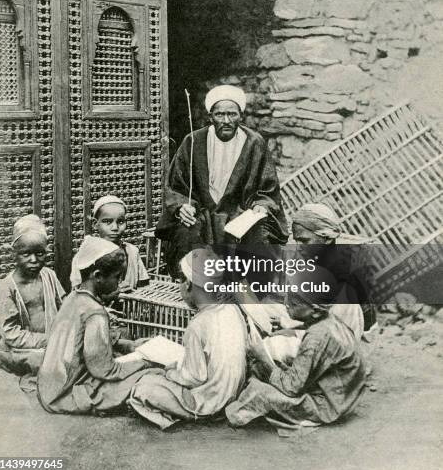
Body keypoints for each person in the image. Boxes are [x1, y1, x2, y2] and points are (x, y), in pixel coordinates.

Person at [155, 85, 288, 278]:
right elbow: (176, 186)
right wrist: (183, 206)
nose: (226, 121)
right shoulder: (192, 141)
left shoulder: (254, 143)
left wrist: (261, 206)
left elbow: (268, 189)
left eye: (232, 114)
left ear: (241, 116)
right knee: (186, 231)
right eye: (220, 115)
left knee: (258, 234)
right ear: (210, 116)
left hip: (239, 213)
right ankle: (192, 288)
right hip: (202, 213)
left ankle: (249, 292)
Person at [129, 248, 248, 429]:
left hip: (211, 402)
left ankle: (189, 416)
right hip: (234, 393)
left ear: (188, 284)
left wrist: (172, 373)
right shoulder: (232, 309)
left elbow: (195, 377)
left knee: (142, 387)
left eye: (180, 281)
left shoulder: (197, 325)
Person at [37, 236, 150, 415]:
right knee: (149, 378)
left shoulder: (73, 298)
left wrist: (127, 345)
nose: (119, 283)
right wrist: (144, 363)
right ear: (97, 276)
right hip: (68, 394)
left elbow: (80, 339)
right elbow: (105, 371)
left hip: (49, 388)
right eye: (117, 277)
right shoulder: (95, 312)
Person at [225, 295, 366, 429]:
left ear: (315, 312)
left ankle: (226, 415)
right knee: (273, 365)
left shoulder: (317, 336)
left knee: (258, 391)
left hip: (331, 405)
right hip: (342, 392)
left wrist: (263, 356)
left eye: (294, 304)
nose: (286, 304)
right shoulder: (328, 320)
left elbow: (291, 387)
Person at [0, 215, 65, 376]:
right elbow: (10, 334)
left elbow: (65, 306)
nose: (33, 260)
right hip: (19, 348)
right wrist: (48, 340)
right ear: (14, 254)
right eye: (26, 254)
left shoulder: (48, 275)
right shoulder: (7, 288)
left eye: (40, 253)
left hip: (50, 341)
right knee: (44, 363)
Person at [289, 203, 376, 338]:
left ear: (328, 238)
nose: (298, 247)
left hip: (347, 336)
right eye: (297, 241)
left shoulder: (343, 272)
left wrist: (293, 331)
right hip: (327, 326)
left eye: (304, 241)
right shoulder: (317, 261)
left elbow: (330, 322)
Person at [70, 195, 149, 291]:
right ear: (95, 224)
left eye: (120, 222)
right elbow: (79, 293)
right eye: (107, 222)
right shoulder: (84, 257)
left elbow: (144, 287)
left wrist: (132, 291)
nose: (115, 228)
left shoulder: (132, 252)